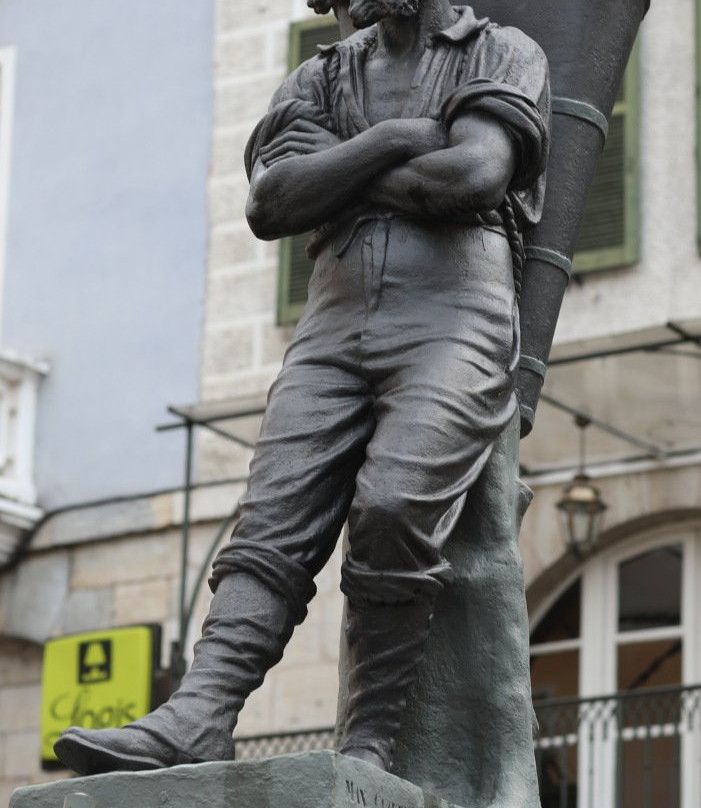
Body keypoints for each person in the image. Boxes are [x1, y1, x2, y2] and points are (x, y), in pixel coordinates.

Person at [54, 0, 549, 777]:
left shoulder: (503, 52)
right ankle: (200, 713)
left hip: (453, 313)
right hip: (333, 318)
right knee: (270, 519)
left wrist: (339, 166)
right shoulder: (318, 75)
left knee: (392, 506)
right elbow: (271, 203)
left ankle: (372, 738)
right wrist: (393, 138)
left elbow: (474, 175)